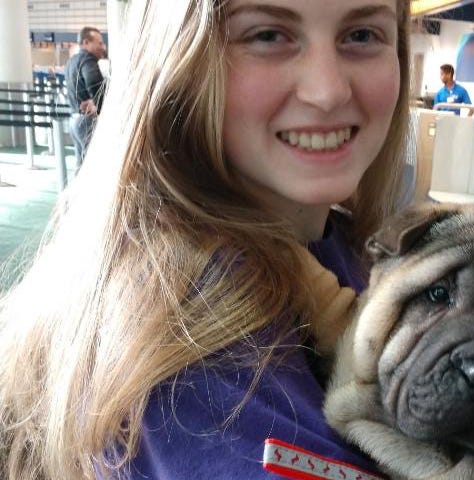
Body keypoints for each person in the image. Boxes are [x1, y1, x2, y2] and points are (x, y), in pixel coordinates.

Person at [0, 0, 411, 479]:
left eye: (362, 35)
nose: (327, 90)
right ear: (180, 60)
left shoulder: (347, 245)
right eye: (266, 35)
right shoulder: (190, 329)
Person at [64, 26, 107, 169]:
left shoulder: (72, 61)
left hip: (74, 119)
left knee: (81, 166)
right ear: (86, 42)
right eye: (99, 43)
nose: (103, 47)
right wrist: (99, 105)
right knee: (95, 167)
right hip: (87, 121)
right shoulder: (88, 60)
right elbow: (95, 84)